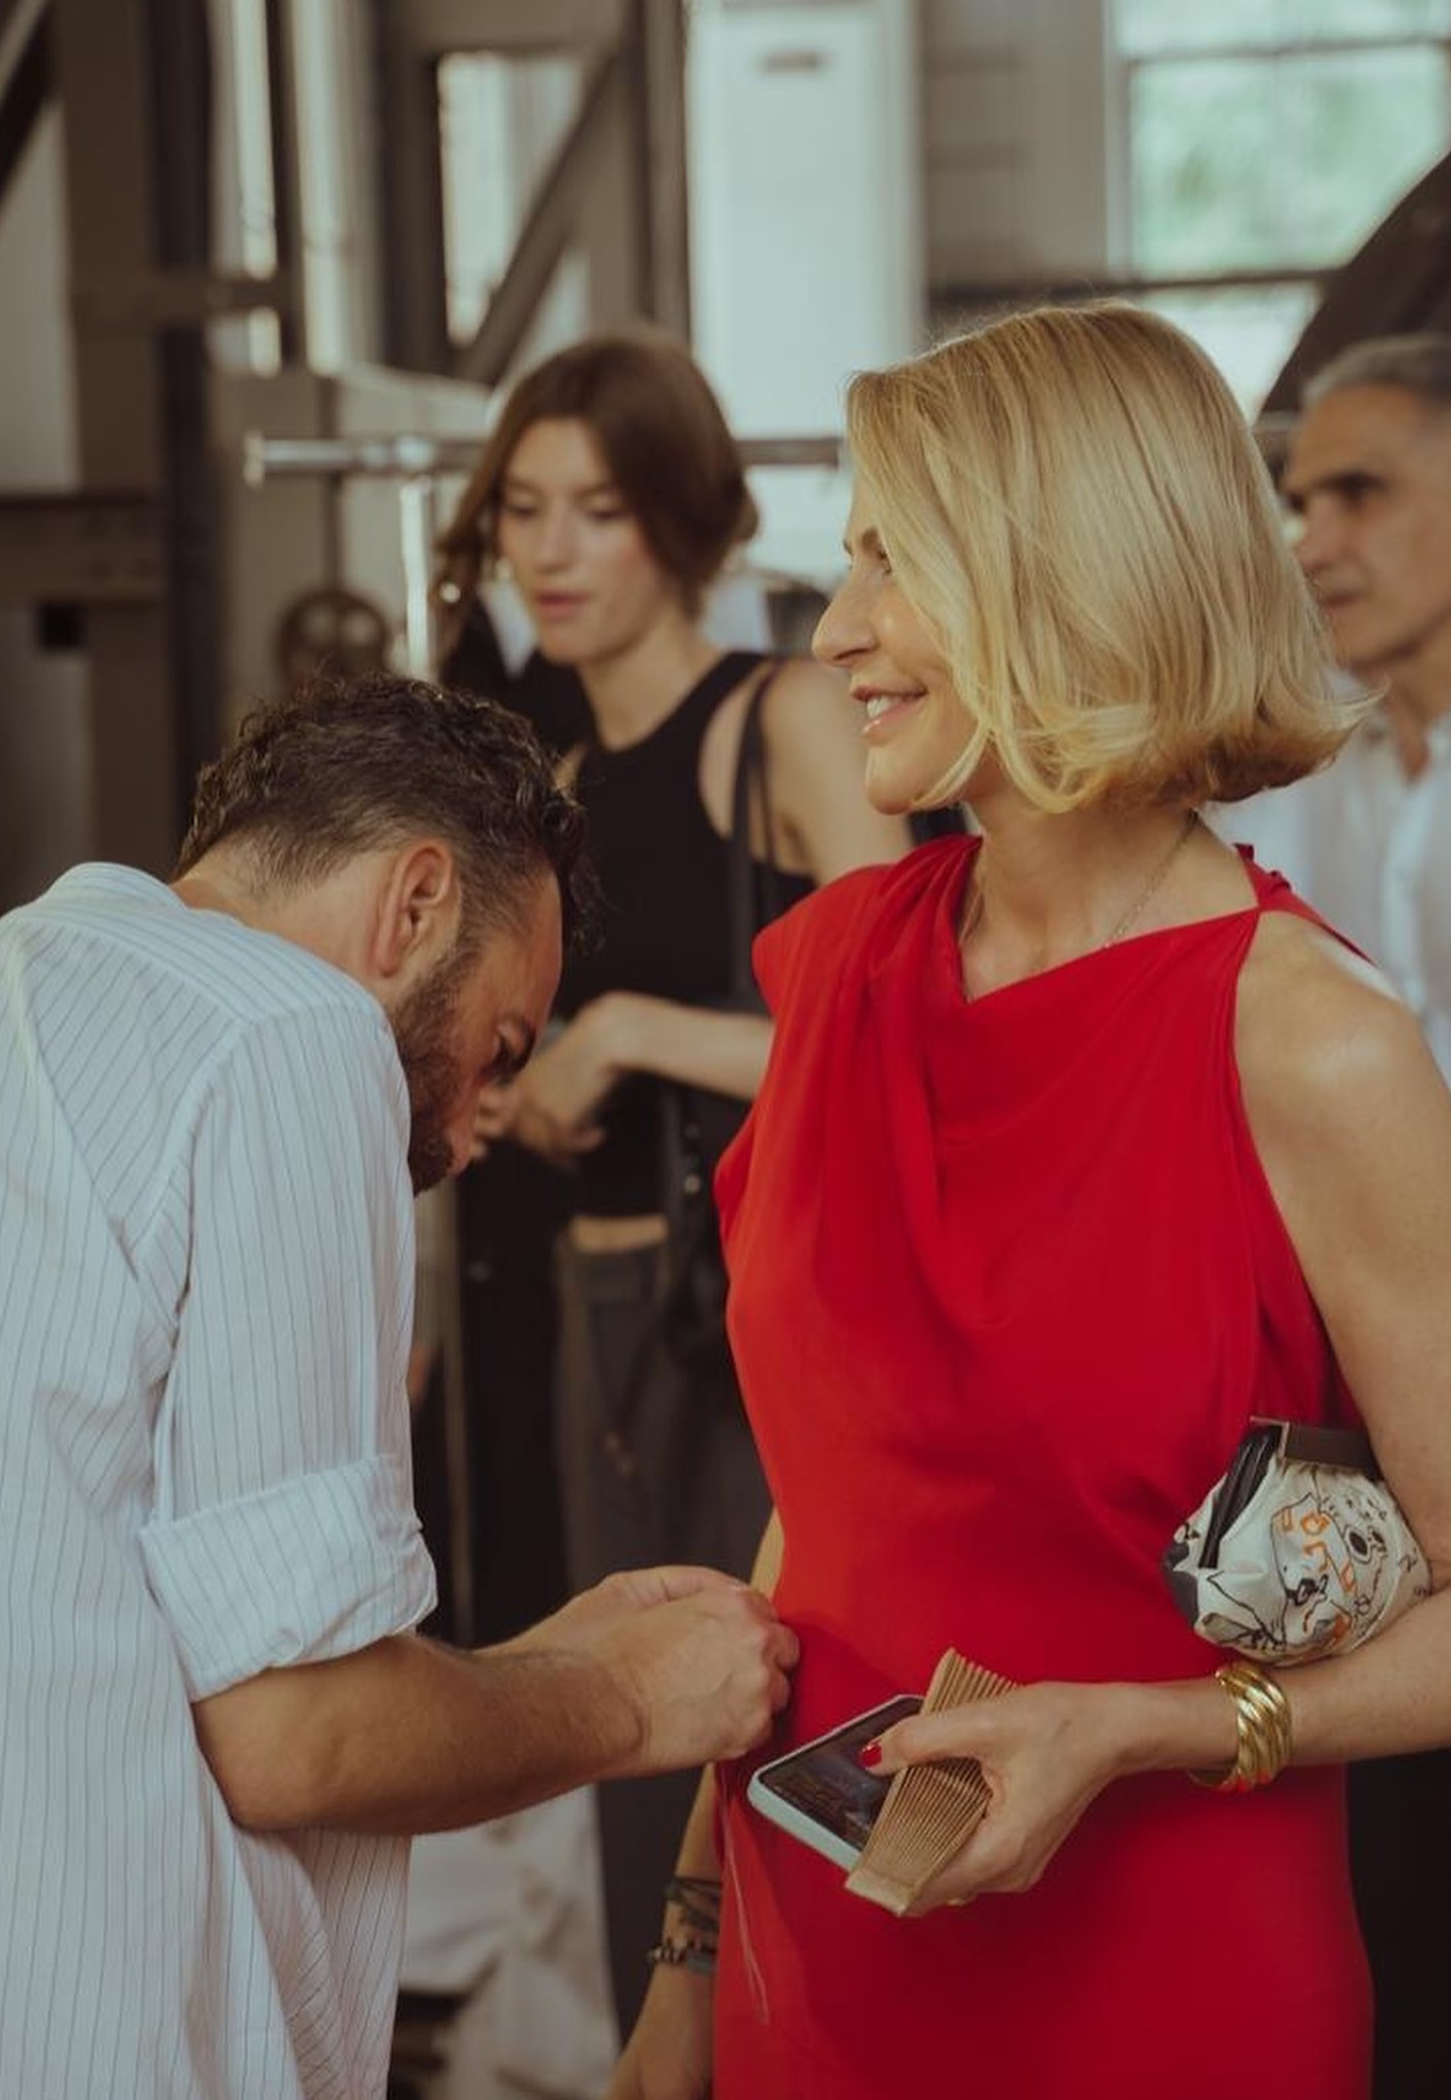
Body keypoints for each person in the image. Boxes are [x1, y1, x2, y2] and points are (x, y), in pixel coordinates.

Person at [608, 303, 1451, 2100]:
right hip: (813, 1960)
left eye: (894, 563)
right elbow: (814, 1528)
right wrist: (687, 1960)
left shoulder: (1311, 1042)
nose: (835, 630)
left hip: (1162, 1981)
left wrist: (1150, 1729)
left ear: (1069, 577)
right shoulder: (841, 967)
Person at [0, 672, 800, 2100]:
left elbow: (128, 1646)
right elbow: (295, 1740)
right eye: (494, 1051)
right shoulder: (291, 1032)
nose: (469, 1134)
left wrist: (528, 1672)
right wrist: (626, 1702)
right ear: (414, 903)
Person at [434, 329, 910, 2031]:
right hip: (598, 1299)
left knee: (783, 1731)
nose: (550, 552)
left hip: (756, 1314)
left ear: (685, 523)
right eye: (523, 511)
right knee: (635, 1731)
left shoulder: (777, 718)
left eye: (601, 510)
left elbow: (898, 1031)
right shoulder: (552, 780)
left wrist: (631, 1033)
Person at [1218, 331, 1451, 2094]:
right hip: (1369, 1376)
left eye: (1360, 494)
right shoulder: (1307, 766)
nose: (1313, 538)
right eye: (1298, 499)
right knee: (1376, 1839)